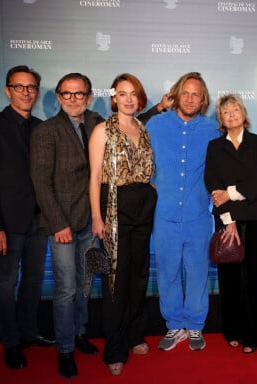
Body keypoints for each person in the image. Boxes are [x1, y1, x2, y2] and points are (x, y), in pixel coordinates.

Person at [0, 65, 55, 370]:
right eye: (19, 86)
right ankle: (10, 342)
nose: (26, 92)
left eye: (31, 87)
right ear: (7, 90)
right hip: (5, 224)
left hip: (39, 221)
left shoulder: (42, 127)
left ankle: (29, 332)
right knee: (6, 283)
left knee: (33, 281)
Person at [30, 73, 102, 378]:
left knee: (85, 283)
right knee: (65, 288)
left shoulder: (97, 122)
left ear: (88, 96)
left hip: (91, 220)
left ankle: (80, 332)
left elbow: (127, 122)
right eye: (67, 94)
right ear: (59, 97)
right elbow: (41, 183)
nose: (73, 99)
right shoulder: (47, 131)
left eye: (79, 94)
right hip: (62, 223)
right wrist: (58, 223)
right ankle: (64, 349)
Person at [146, 72, 220, 351]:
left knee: (198, 272)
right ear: (176, 95)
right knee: (167, 273)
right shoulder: (155, 124)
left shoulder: (212, 129)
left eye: (196, 94)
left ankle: (196, 326)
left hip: (199, 216)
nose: (190, 98)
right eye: (185, 93)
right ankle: (174, 325)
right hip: (163, 215)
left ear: (203, 100)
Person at [89, 73, 157, 375]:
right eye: (123, 94)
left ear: (139, 99)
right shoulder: (103, 130)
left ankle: (135, 334)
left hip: (143, 205)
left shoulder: (143, 129)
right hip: (114, 206)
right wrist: (96, 216)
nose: (129, 99)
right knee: (116, 279)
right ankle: (115, 348)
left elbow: (144, 169)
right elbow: (93, 178)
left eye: (134, 94)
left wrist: (148, 189)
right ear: (114, 97)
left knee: (139, 272)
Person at [204, 94, 257, 354]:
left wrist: (231, 194)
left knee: (255, 279)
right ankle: (232, 330)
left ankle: (254, 333)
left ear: (243, 113)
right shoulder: (214, 147)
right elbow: (213, 184)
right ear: (220, 119)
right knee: (230, 279)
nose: (231, 115)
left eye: (235, 110)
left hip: (255, 220)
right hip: (226, 220)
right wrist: (228, 219)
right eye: (225, 112)